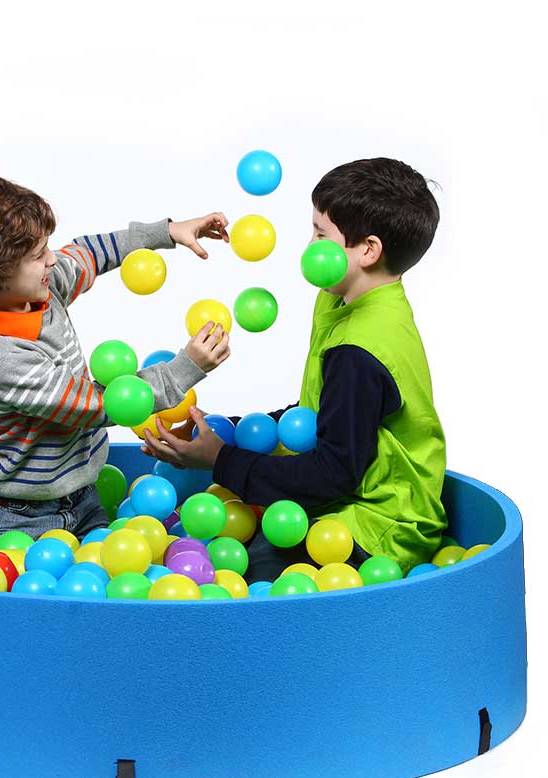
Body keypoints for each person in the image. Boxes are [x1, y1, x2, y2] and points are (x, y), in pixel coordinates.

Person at [141, 157, 448, 580]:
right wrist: (218, 429)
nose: (309, 247)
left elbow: (333, 474)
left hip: (378, 526)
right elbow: (318, 415)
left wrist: (221, 461)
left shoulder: (360, 349)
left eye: (320, 235)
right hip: (343, 497)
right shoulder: (342, 299)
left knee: (243, 582)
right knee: (215, 540)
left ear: (368, 250)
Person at [0, 174, 231, 552]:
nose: (52, 258)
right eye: (37, 255)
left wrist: (168, 232)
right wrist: (186, 368)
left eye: (45, 247)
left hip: (81, 495)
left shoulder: (39, 291)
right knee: (14, 601)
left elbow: (88, 253)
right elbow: (93, 406)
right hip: (16, 515)